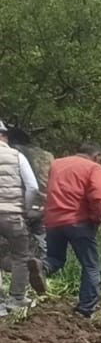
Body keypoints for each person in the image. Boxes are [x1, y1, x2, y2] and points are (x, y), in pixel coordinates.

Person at [42, 143, 101, 319]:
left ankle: (42, 267)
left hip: (53, 220)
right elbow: (98, 195)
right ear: (97, 156)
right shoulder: (94, 168)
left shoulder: (56, 164)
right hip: (79, 221)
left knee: (55, 258)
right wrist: (98, 218)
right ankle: (86, 309)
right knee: (91, 266)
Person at [0, 120, 44, 317]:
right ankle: (16, 298)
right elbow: (33, 187)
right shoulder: (16, 156)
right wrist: (24, 209)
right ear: (4, 136)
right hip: (12, 215)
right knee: (20, 256)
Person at [10, 126, 52, 260]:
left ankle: (16, 266)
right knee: (42, 239)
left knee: (14, 242)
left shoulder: (12, 155)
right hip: (42, 204)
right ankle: (44, 267)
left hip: (17, 204)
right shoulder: (46, 156)